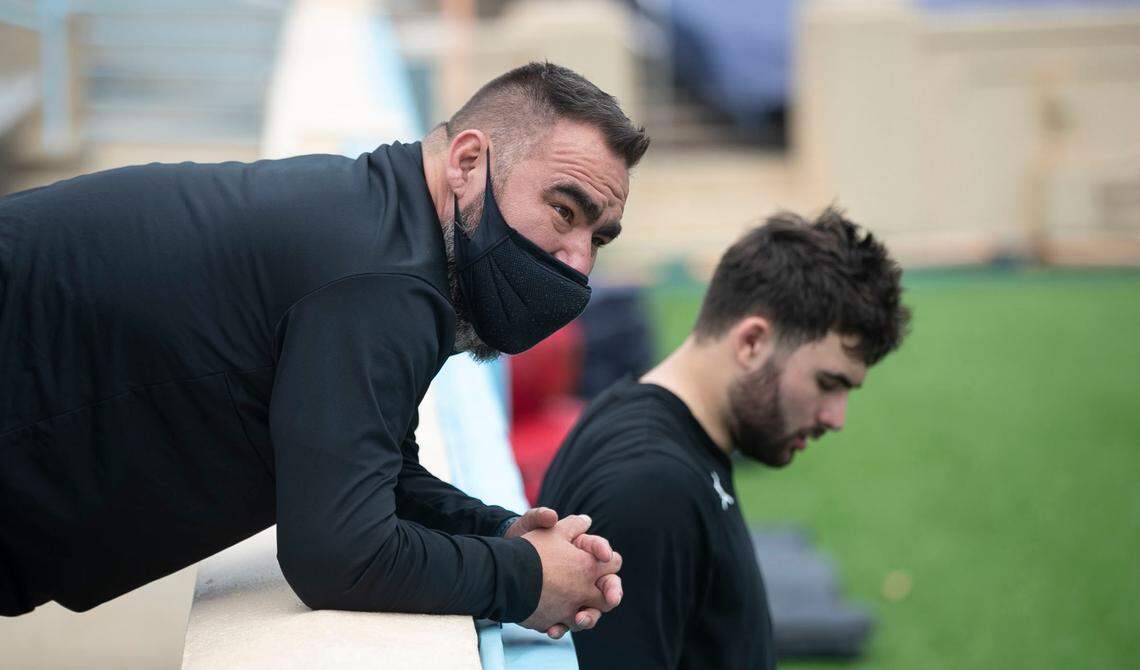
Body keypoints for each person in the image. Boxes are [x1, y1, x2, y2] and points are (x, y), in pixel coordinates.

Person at [0, 62, 649, 640]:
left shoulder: (379, 223)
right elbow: (339, 554)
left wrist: (502, 532)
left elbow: (369, 466)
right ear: (468, 162)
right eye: (566, 211)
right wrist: (528, 581)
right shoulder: (383, 278)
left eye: (600, 238)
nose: (579, 263)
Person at [539, 208, 911, 668]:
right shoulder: (651, 488)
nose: (836, 418)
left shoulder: (656, 432)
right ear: (753, 342)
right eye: (828, 383)